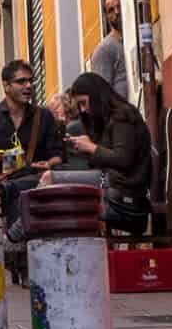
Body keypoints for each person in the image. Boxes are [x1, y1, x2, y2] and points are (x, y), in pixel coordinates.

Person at [0, 59, 65, 237]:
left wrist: (49, 165)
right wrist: (1, 156)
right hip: (1, 187)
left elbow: (58, 156)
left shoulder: (44, 116)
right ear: (6, 86)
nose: (28, 86)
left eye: (31, 81)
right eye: (21, 81)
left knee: (26, 195)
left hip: (36, 186)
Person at [63, 71, 153, 233]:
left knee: (50, 179)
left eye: (84, 103)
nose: (82, 110)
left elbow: (123, 159)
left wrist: (91, 147)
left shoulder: (122, 117)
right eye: (79, 105)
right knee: (49, 175)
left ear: (96, 96)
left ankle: (14, 238)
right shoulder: (110, 118)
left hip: (124, 187)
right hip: (113, 182)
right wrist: (83, 147)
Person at [89, 0, 130, 100]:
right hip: (123, 114)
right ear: (106, 16)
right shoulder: (104, 50)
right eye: (111, 10)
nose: (117, 12)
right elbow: (102, 95)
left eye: (119, 6)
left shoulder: (135, 40)